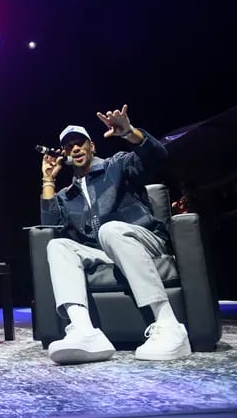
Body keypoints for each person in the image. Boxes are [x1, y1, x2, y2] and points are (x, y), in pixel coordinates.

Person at [40, 104, 190, 365]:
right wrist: (48, 181)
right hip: (103, 251)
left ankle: (169, 325)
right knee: (58, 247)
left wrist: (129, 132)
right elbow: (49, 226)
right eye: (68, 146)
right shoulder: (67, 196)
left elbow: (157, 156)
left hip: (142, 239)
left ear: (92, 146)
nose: (74, 148)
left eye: (80, 143)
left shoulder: (117, 165)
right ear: (64, 154)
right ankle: (85, 331)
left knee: (110, 230)